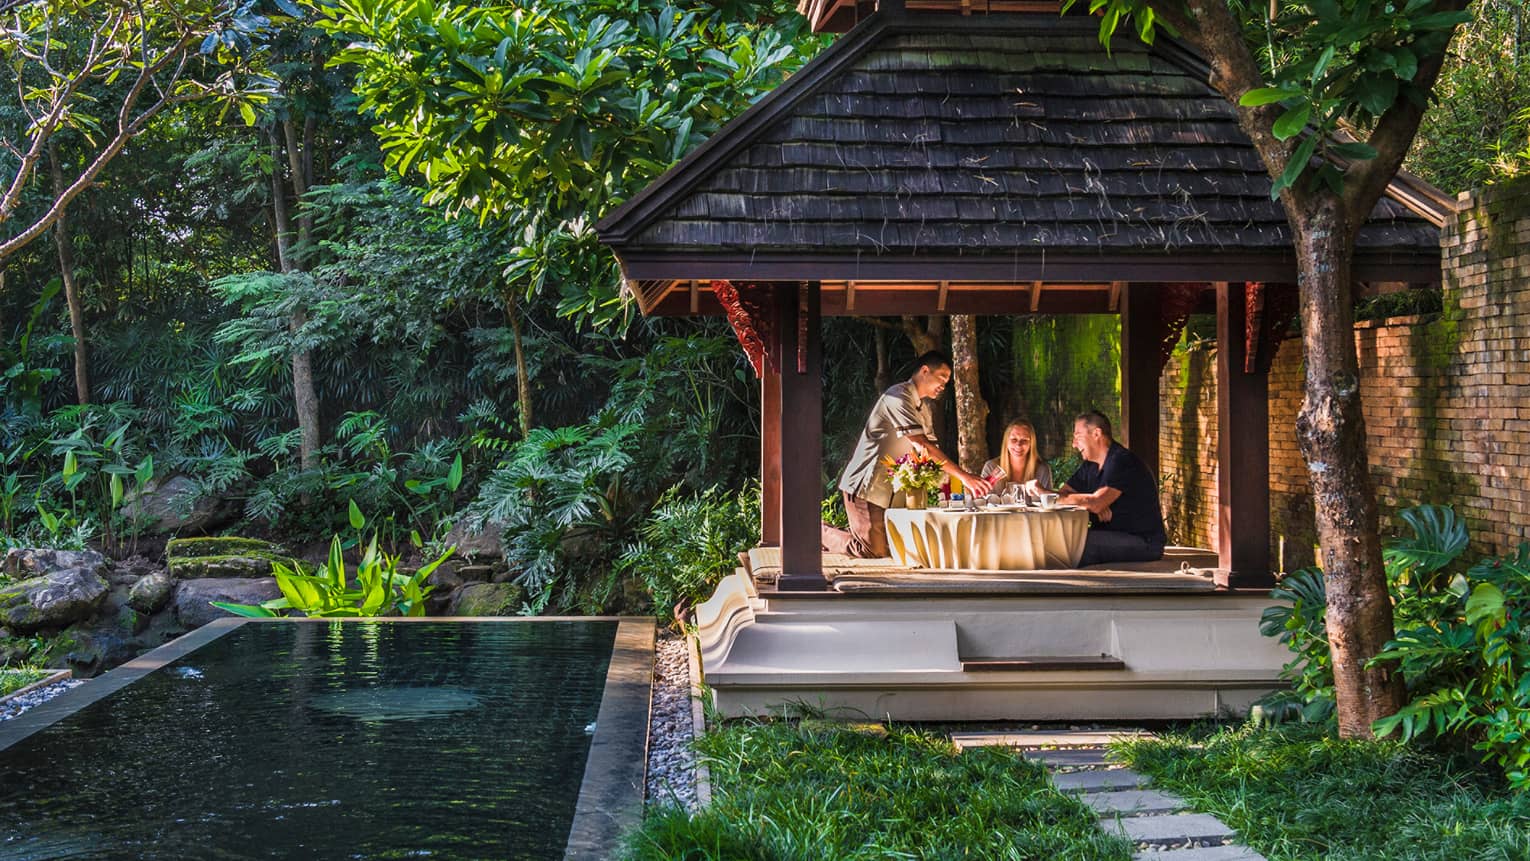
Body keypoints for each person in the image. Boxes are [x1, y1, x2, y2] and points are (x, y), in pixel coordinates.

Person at [822, 351, 992, 558]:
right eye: (942, 378)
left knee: (890, 547)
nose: (943, 386)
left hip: (891, 489)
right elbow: (921, 444)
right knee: (871, 550)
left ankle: (851, 535)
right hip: (867, 485)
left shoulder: (922, 409)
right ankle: (818, 531)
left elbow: (928, 452)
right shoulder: (897, 395)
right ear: (925, 370)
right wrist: (964, 477)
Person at [1057, 411, 1166, 566]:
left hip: (1143, 541)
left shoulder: (1122, 461)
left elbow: (1094, 502)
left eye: (1078, 435)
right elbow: (1064, 494)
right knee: (1067, 539)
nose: (1074, 444)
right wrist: (1091, 504)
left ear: (1096, 433)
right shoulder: (1090, 465)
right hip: (1110, 535)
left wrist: (1094, 503)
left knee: (1076, 545)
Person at [980, 419, 1053, 498]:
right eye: (1014, 439)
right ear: (1006, 442)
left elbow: (1049, 502)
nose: (1018, 445)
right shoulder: (991, 467)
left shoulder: (1042, 470)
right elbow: (981, 500)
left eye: (1024, 440)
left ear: (1031, 444)